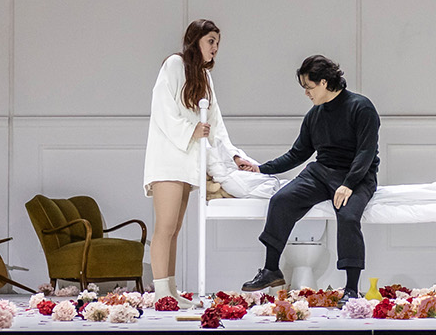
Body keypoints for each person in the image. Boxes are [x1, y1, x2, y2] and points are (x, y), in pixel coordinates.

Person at [241, 54, 379, 298]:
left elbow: (366, 152)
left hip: (357, 175)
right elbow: (297, 154)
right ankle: (271, 269)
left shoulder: (361, 107)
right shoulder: (314, 116)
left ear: (324, 82)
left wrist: (349, 184)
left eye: (309, 87)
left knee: (348, 217)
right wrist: (261, 168)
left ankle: (351, 289)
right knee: (281, 200)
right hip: (321, 172)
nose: (306, 93)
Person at [144, 19, 258, 299]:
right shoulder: (174, 65)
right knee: (165, 227)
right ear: (195, 40)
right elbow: (162, 110)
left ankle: (170, 292)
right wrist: (191, 130)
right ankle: (161, 294)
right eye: (211, 41)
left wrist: (234, 155)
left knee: (175, 229)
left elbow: (216, 123)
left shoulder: (205, 78)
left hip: (187, 162)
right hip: (168, 160)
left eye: (218, 42)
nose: (215, 47)